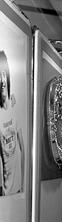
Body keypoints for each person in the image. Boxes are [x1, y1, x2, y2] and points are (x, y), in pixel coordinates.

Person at [0, 50, 24, 196]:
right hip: (6, 191)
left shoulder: (16, 105)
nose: (2, 80)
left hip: (20, 189)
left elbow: (23, 148)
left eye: (3, 74)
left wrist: (24, 183)